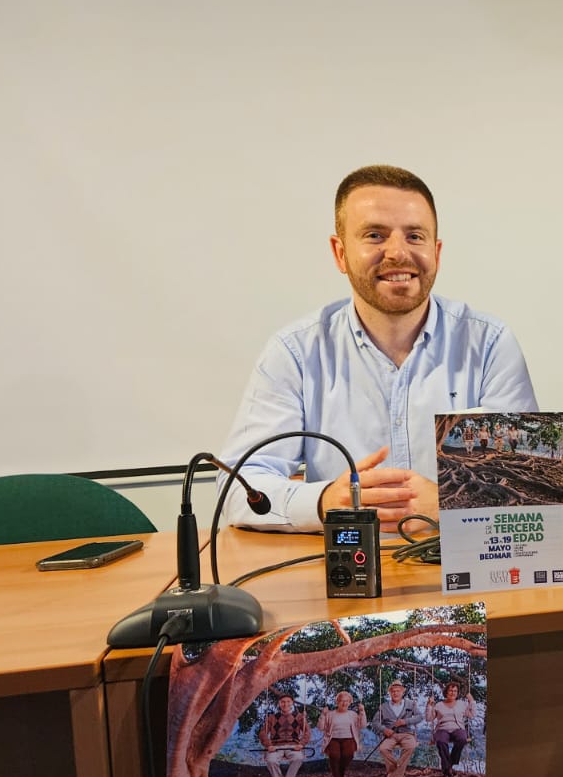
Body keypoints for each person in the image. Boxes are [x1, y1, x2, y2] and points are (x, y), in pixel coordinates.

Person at [218, 164, 538, 533]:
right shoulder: (294, 354)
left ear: (436, 251)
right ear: (340, 253)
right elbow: (236, 488)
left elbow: (529, 489)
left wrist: (451, 500)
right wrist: (325, 502)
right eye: (375, 235)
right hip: (346, 571)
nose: (398, 253)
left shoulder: (490, 345)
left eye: (415, 236)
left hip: (460, 568)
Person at [372, 680, 421, 777]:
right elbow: (375, 722)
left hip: (406, 733)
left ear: (402, 692)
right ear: (390, 693)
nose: (395, 693)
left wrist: (406, 721)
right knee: (383, 749)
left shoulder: (410, 704)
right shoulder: (384, 706)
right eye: (393, 691)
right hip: (391, 734)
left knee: (411, 745)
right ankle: (396, 773)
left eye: (398, 691)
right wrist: (384, 729)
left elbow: (419, 717)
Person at [258, 694, 309, 777]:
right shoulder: (272, 718)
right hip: (276, 746)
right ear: (279, 704)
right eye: (283, 702)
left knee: (298, 757)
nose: (285, 704)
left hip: (293, 746)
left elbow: (307, 732)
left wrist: (301, 744)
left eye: (288, 702)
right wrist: (269, 745)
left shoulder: (299, 717)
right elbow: (263, 733)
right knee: (270, 760)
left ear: (292, 703)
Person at [317, 690, 366, 777]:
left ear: (350, 702)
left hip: (349, 738)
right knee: (334, 756)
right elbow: (321, 727)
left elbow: (362, 725)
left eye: (347, 701)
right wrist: (323, 715)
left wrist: (362, 712)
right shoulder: (330, 714)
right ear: (337, 702)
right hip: (333, 738)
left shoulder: (353, 714)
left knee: (348, 755)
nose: (344, 703)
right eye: (342, 701)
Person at [426, 682, 477, 777]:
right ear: (446, 692)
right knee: (440, 741)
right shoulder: (439, 705)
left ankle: (449, 764)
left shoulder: (462, 704)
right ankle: (447, 771)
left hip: (457, 728)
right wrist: (429, 705)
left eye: (455, 691)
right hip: (442, 729)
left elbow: (472, 715)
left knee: (462, 739)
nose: (453, 693)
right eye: (450, 690)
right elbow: (429, 718)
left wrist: (472, 701)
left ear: (457, 693)